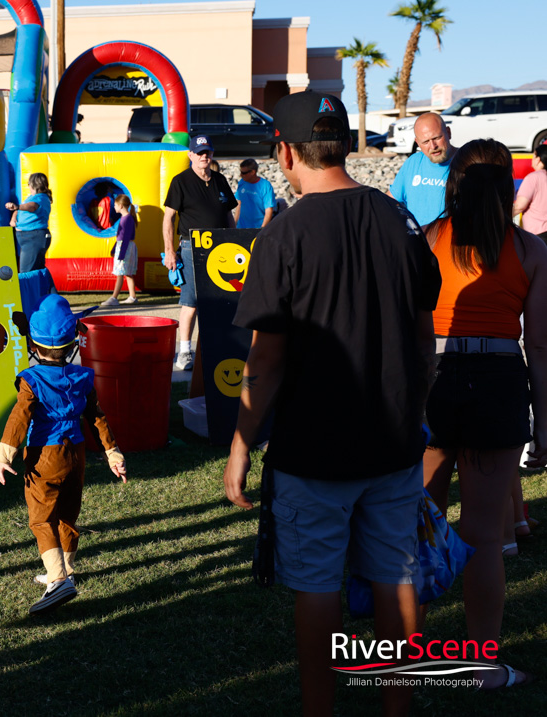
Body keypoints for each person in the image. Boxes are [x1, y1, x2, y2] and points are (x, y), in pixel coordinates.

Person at [222, 92, 441, 716]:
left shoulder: (284, 234)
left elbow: (264, 361)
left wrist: (240, 448)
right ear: (343, 144)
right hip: (394, 442)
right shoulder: (399, 219)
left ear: (286, 152)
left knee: (317, 586)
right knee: (396, 575)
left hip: (312, 451)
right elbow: (422, 329)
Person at [421, 139, 546, 690]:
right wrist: (544, 424)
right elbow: (539, 347)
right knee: (484, 538)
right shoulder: (532, 249)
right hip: (497, 381)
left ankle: (405, 654)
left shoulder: (427, 240)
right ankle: (479, 667)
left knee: (416, 528)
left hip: (433, 380)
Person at [0, 294, 127, 614]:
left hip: (44, 457)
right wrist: (113, 454)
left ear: (34, 348)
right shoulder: (83, 378)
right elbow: (97, 417)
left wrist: (3, 455)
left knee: (42, 519)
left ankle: (57, 579)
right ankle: (66, 570)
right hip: (76, 456)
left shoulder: (32, 380)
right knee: (67, 515)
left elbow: (19, 417)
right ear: (72, 346)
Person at [162, 134, 237, 370]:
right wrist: (169, 251)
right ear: (190, 155)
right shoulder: (180, 181)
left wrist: (234, 241)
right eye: (200, 152)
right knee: (191, 302)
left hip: (219, 248)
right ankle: (184, 352)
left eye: (208, 152)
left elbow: (228, 214)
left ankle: (216, 347)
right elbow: (169, 217)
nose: (204, 156)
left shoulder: (220, 180)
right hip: (191, 247)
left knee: (221, 300)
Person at [388, 112, 457, 226]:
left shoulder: (466, 161)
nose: (433, 146)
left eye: (437, 138)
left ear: (448, 133)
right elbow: (390, 201)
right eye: (425, 142)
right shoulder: (413, 162)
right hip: (418, 241)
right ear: (418, 143)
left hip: (452, 241)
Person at [5, 172, 53, 273]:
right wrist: (14, 217)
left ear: (33, 185)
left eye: (29, 184)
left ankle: (32, 288)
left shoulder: (40, 198)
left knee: (26, 272)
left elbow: (32, 206)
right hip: (30, 239)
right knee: (38, 271)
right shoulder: (32, 198)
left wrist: (17, 206)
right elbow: (21, 209)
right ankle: (47, 289)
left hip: (33, 238)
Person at [101, 194, 139, 306]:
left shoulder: (127, 219)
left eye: (115, 205)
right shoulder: (126, 218)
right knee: (127, 273)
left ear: (121, 206)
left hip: (125, 248)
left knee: (120, 273)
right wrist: (114, 248)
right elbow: (120, 236)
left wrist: (121, 254)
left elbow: (125, 237)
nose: (114, 207)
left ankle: (114, 298)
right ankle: (132, 297)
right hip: (124, 246)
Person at [513, 144, 547, 240]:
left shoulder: (533, 177)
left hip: (538, 234)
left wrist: (503, 217)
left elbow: (520, 206)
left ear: (538, 159)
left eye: (533, 156)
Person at [233, 159, 276, 230]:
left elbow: (269, 210)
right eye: (241, 172)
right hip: (241, 228)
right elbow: (239, 204)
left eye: (244, 173)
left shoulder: (265, 186)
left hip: (257, 229)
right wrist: (234, 225)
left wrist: (262, 229)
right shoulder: (241, 182)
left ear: (253, 172)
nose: (240, 175)